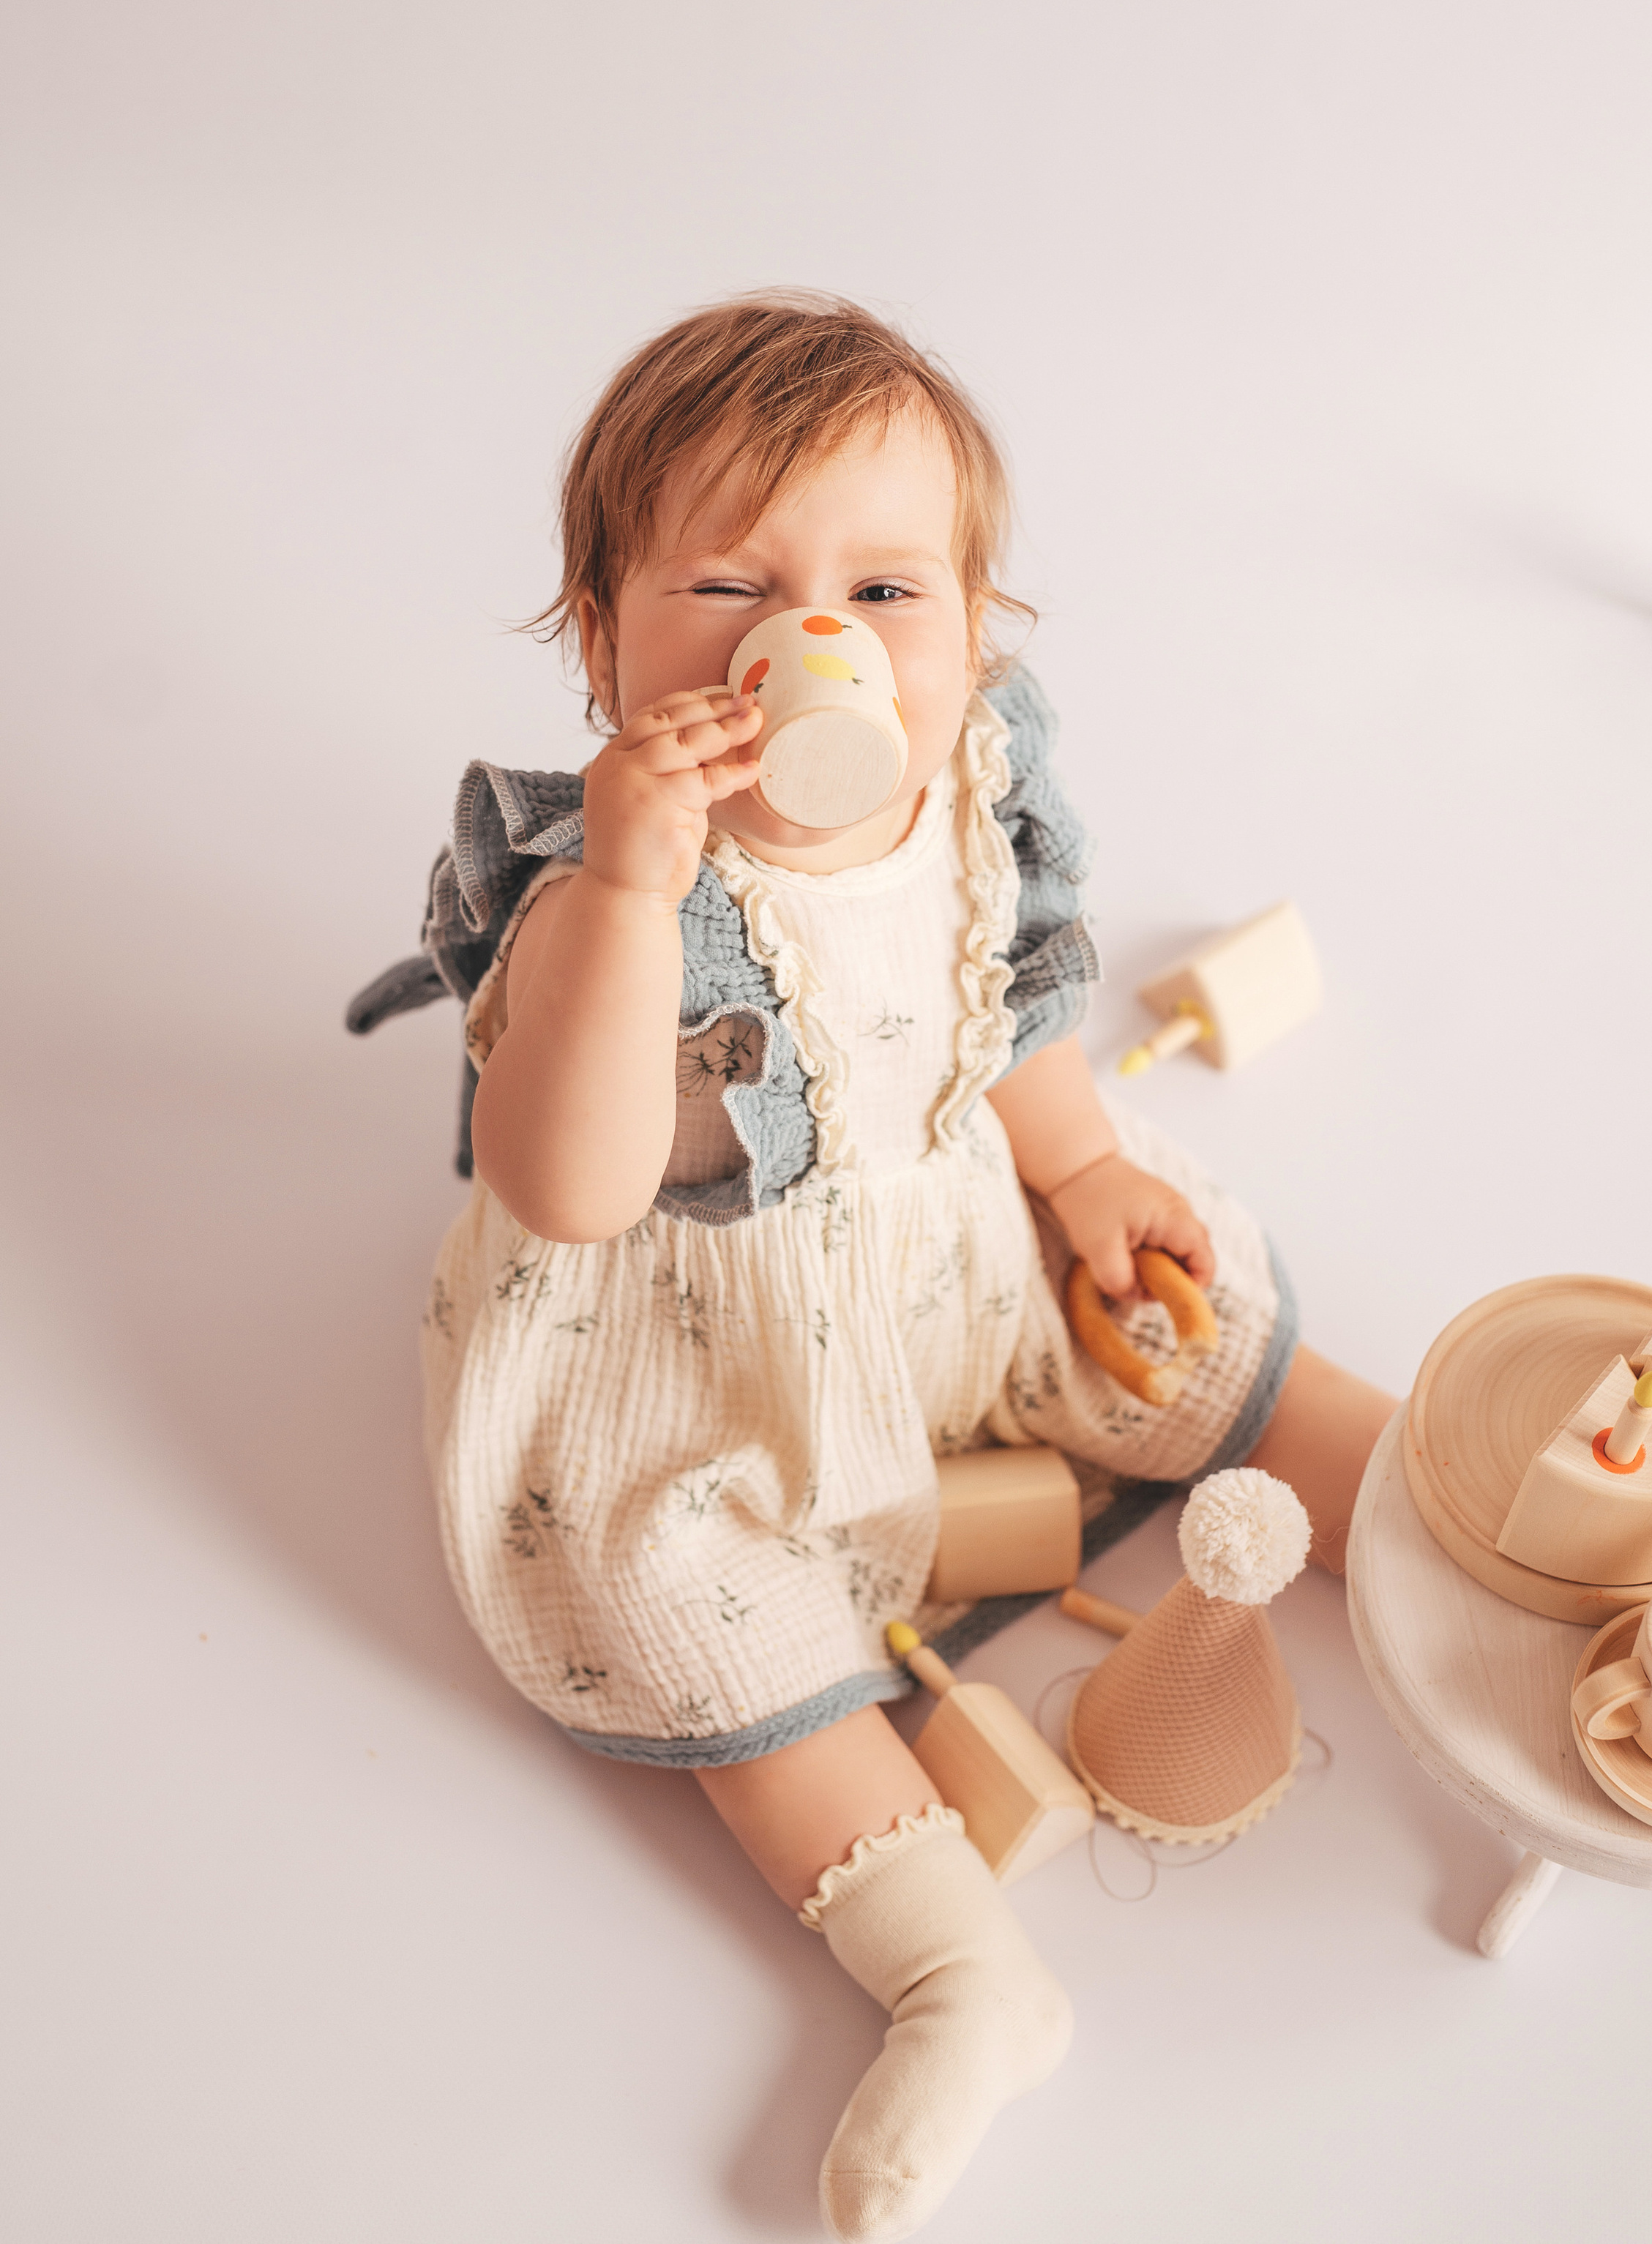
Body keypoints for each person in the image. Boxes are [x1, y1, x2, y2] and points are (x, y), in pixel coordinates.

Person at [353, 293, 1394, 2241]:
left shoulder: (971, 776)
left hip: (954, 1248)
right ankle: (957, 1968)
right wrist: (633, 892)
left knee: (1176, 1305)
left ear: (980, 628)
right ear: (602, 645)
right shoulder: (605, 898)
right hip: (699, 1366)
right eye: (730, 584)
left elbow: (1012, 999)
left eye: (888, 587)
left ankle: (1444, 1522)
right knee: (681, 1593)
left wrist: (1075, 1168)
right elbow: (567, 1184)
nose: (808, 639)